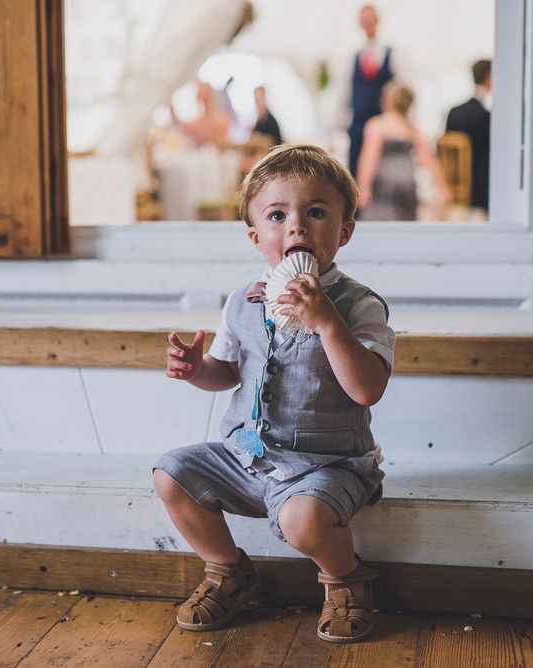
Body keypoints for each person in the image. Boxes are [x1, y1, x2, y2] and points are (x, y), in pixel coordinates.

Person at [155, 144, 395, 643]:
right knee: (170, 473)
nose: (297, 227)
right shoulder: (243, 301)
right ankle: (228, 570)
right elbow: (227, 372)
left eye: (316, 212)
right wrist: (198, 369)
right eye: (278, 215)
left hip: (326, 462)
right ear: (256, 235)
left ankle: (346, 578)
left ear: (345, 230)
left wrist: (327, 320)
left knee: (302, 520)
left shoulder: (359, 306)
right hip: (250, 456)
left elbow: (368, 389)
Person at [357, 83, 450, 220]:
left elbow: (369, 158)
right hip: (407, 182)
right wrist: (443, 189)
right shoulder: (412, 129)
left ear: (387, 101)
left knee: (379, 227)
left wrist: (364, 189)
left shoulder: (377, 125)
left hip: (384, 184)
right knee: (404, 230)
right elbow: (430, 159)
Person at [345, 5, 397, 178]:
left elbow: (399, 89)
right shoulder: (355, 56)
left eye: (370, 18)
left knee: (379, 173)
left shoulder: (391, 53)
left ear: (377, 20)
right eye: (364, 19)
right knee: (355, 173)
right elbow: (345, 93)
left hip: (382, 123)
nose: (367, 23)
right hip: (358, 123)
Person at [445, 59, 492, 211]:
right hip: (480, 190)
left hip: (453, 183)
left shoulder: (454, 112)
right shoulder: (485, 116)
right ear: (488, 77)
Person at [172, 81, 231, 149]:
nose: (198, 95)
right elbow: (184, 127)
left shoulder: (222, 120)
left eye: (201, 93)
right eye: (199, 93)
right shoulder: (197, 123)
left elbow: (223, 145)